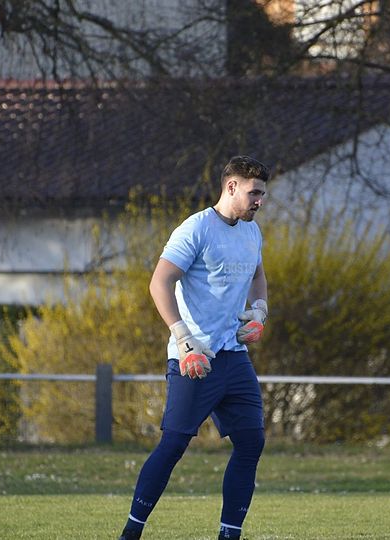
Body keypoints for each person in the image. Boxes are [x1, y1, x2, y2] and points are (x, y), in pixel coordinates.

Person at [119, 156, 270, 540]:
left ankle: (229, 534)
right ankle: (131, 533)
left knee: (252, 442)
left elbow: (258, 276)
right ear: (231, 187)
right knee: (173, 444)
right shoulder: (196, 228)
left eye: (262, 195)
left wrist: (259, 311)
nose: (259, 201)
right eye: (254, 193)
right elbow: (159, 282)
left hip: (234, 358)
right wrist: (184, 339)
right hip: (196, 359)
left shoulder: (252, 232)